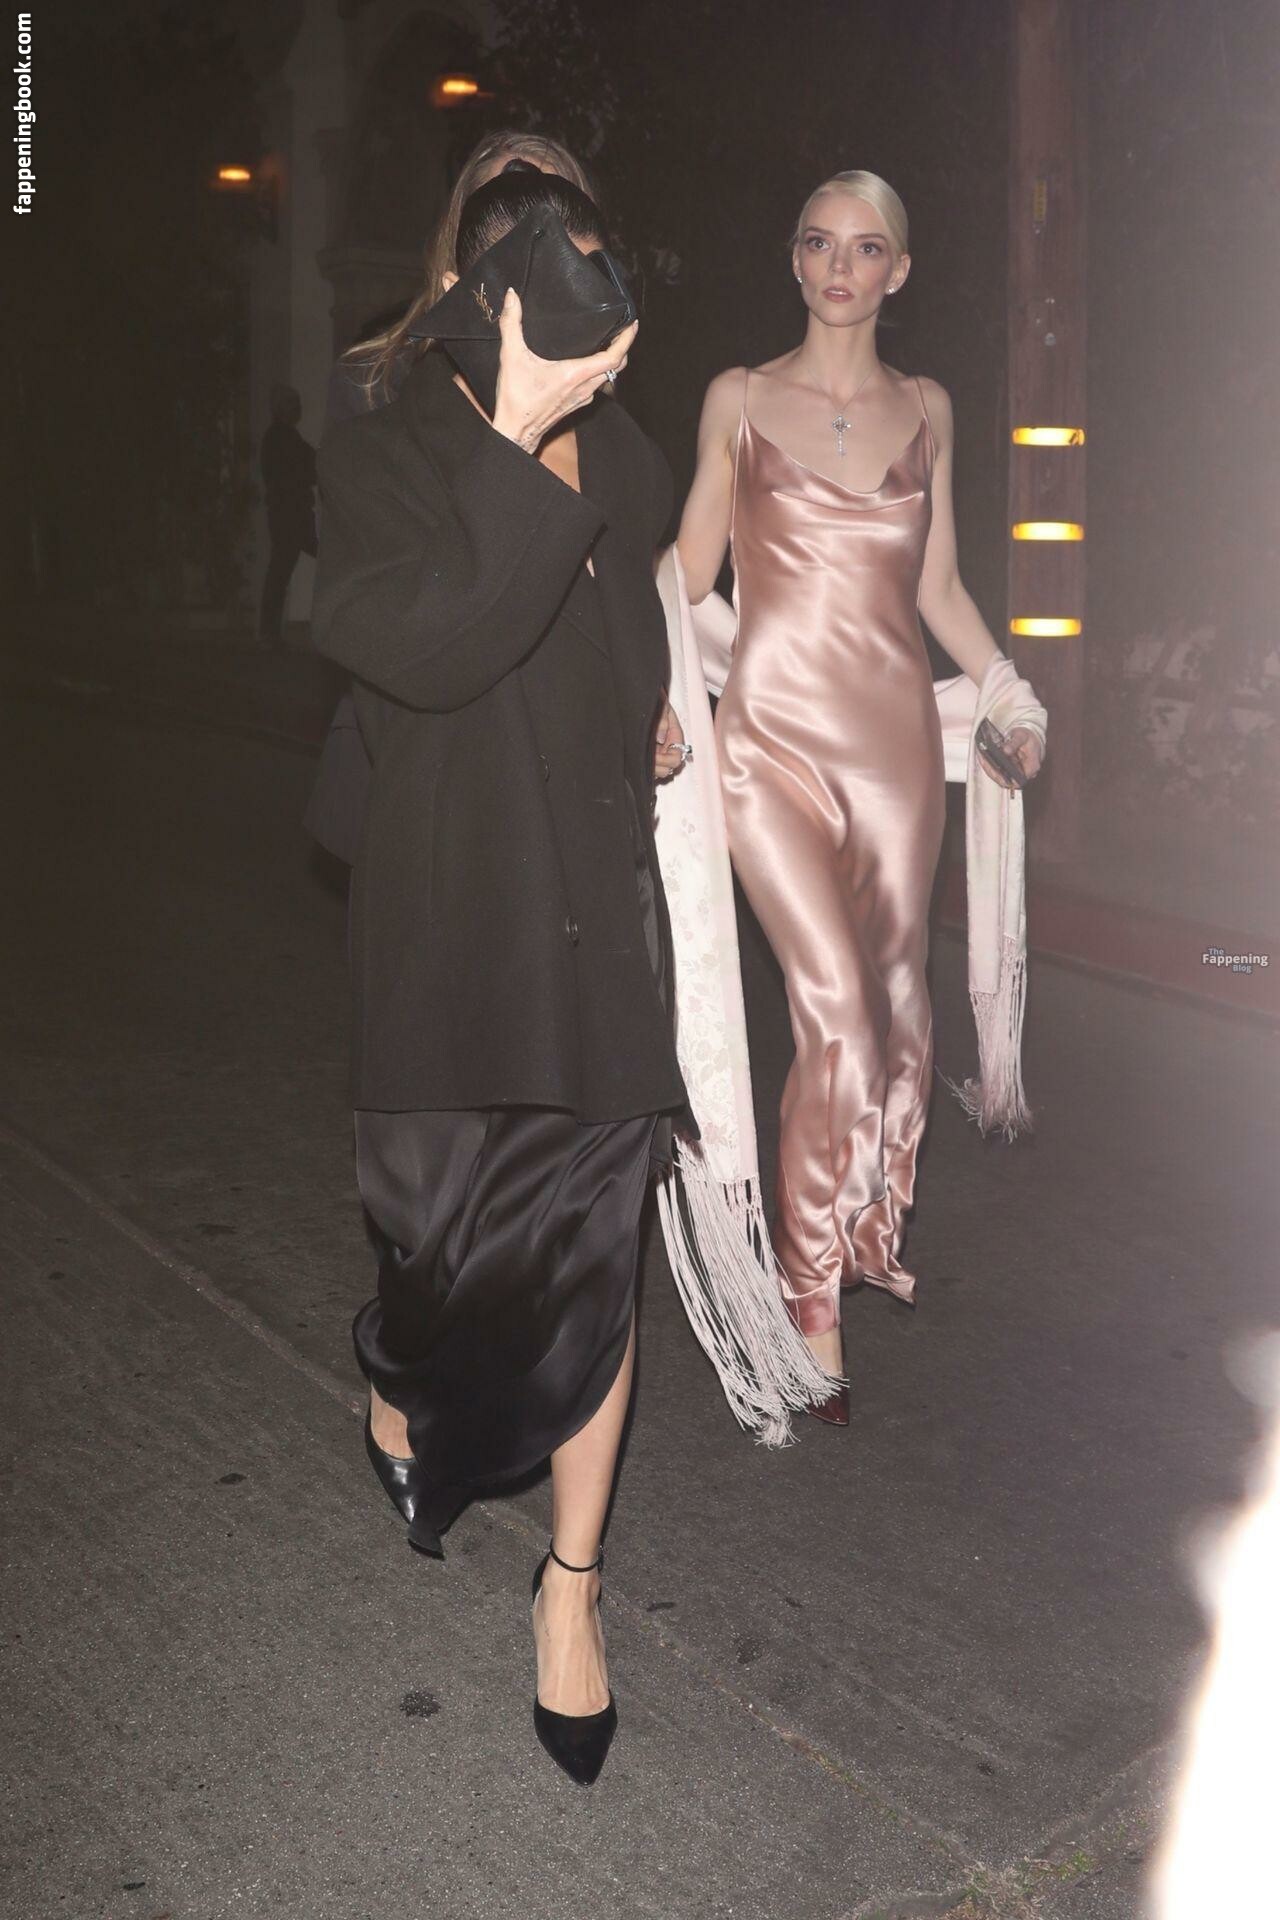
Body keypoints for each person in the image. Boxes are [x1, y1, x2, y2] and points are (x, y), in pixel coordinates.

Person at [310, 166, 689, 1787]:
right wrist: (517, 428)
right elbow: (437, 650)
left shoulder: (634, 455)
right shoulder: (383, 448)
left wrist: (643, 718)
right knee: (436, 1263)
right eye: (533, 246)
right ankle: (402, 1373)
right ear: (478, 275)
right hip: (447, 918)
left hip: (593, 917)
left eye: (589, 245)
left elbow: (620, 648)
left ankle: (572, 1591)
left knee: (599, 1263)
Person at [677, 170, 1044, 1422]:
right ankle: (808, 1301)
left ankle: (857, 1228)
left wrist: (1006, 693)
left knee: (892, 1017)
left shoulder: (928, 409)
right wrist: (632, 674)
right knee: (830, 1010)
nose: (840, 266)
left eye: (866, 246)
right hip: (767, 746)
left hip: (891, 753)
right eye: (819, 243)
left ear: (899, 270)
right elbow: (688, 573)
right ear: (792, 261)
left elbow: (936, 592)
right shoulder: (736, 399)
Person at [258, 385, 317, 644]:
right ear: (282, 408)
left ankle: (269, 632)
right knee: (281, 572)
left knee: (279, 573)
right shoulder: (282, 438)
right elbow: (307, 467)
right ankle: (268, 632)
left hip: (289, 515)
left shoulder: (282, 437)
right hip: (291, 516)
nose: (299, 408)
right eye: (294, 403)